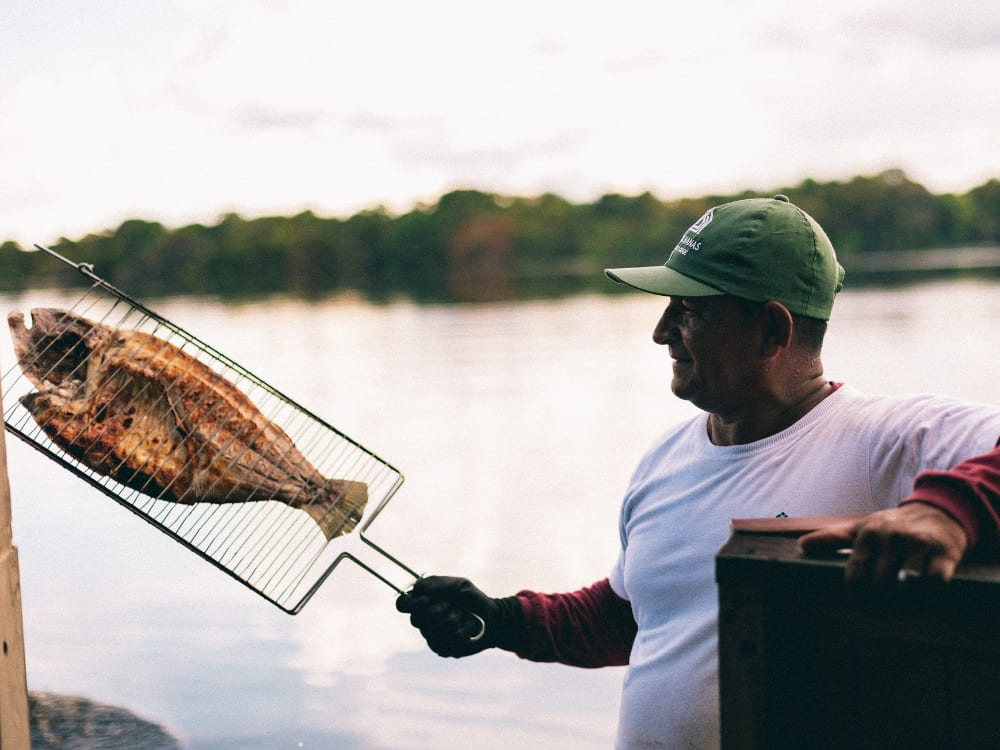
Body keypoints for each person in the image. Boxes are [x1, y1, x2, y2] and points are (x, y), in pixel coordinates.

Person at [395, 194, 1000, 749]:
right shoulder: (663, 460)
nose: (660, 332)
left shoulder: (883, 439)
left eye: (689, 311)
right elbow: (637, 617)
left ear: (772, 330)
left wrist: (948, 510)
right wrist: (503, 621)